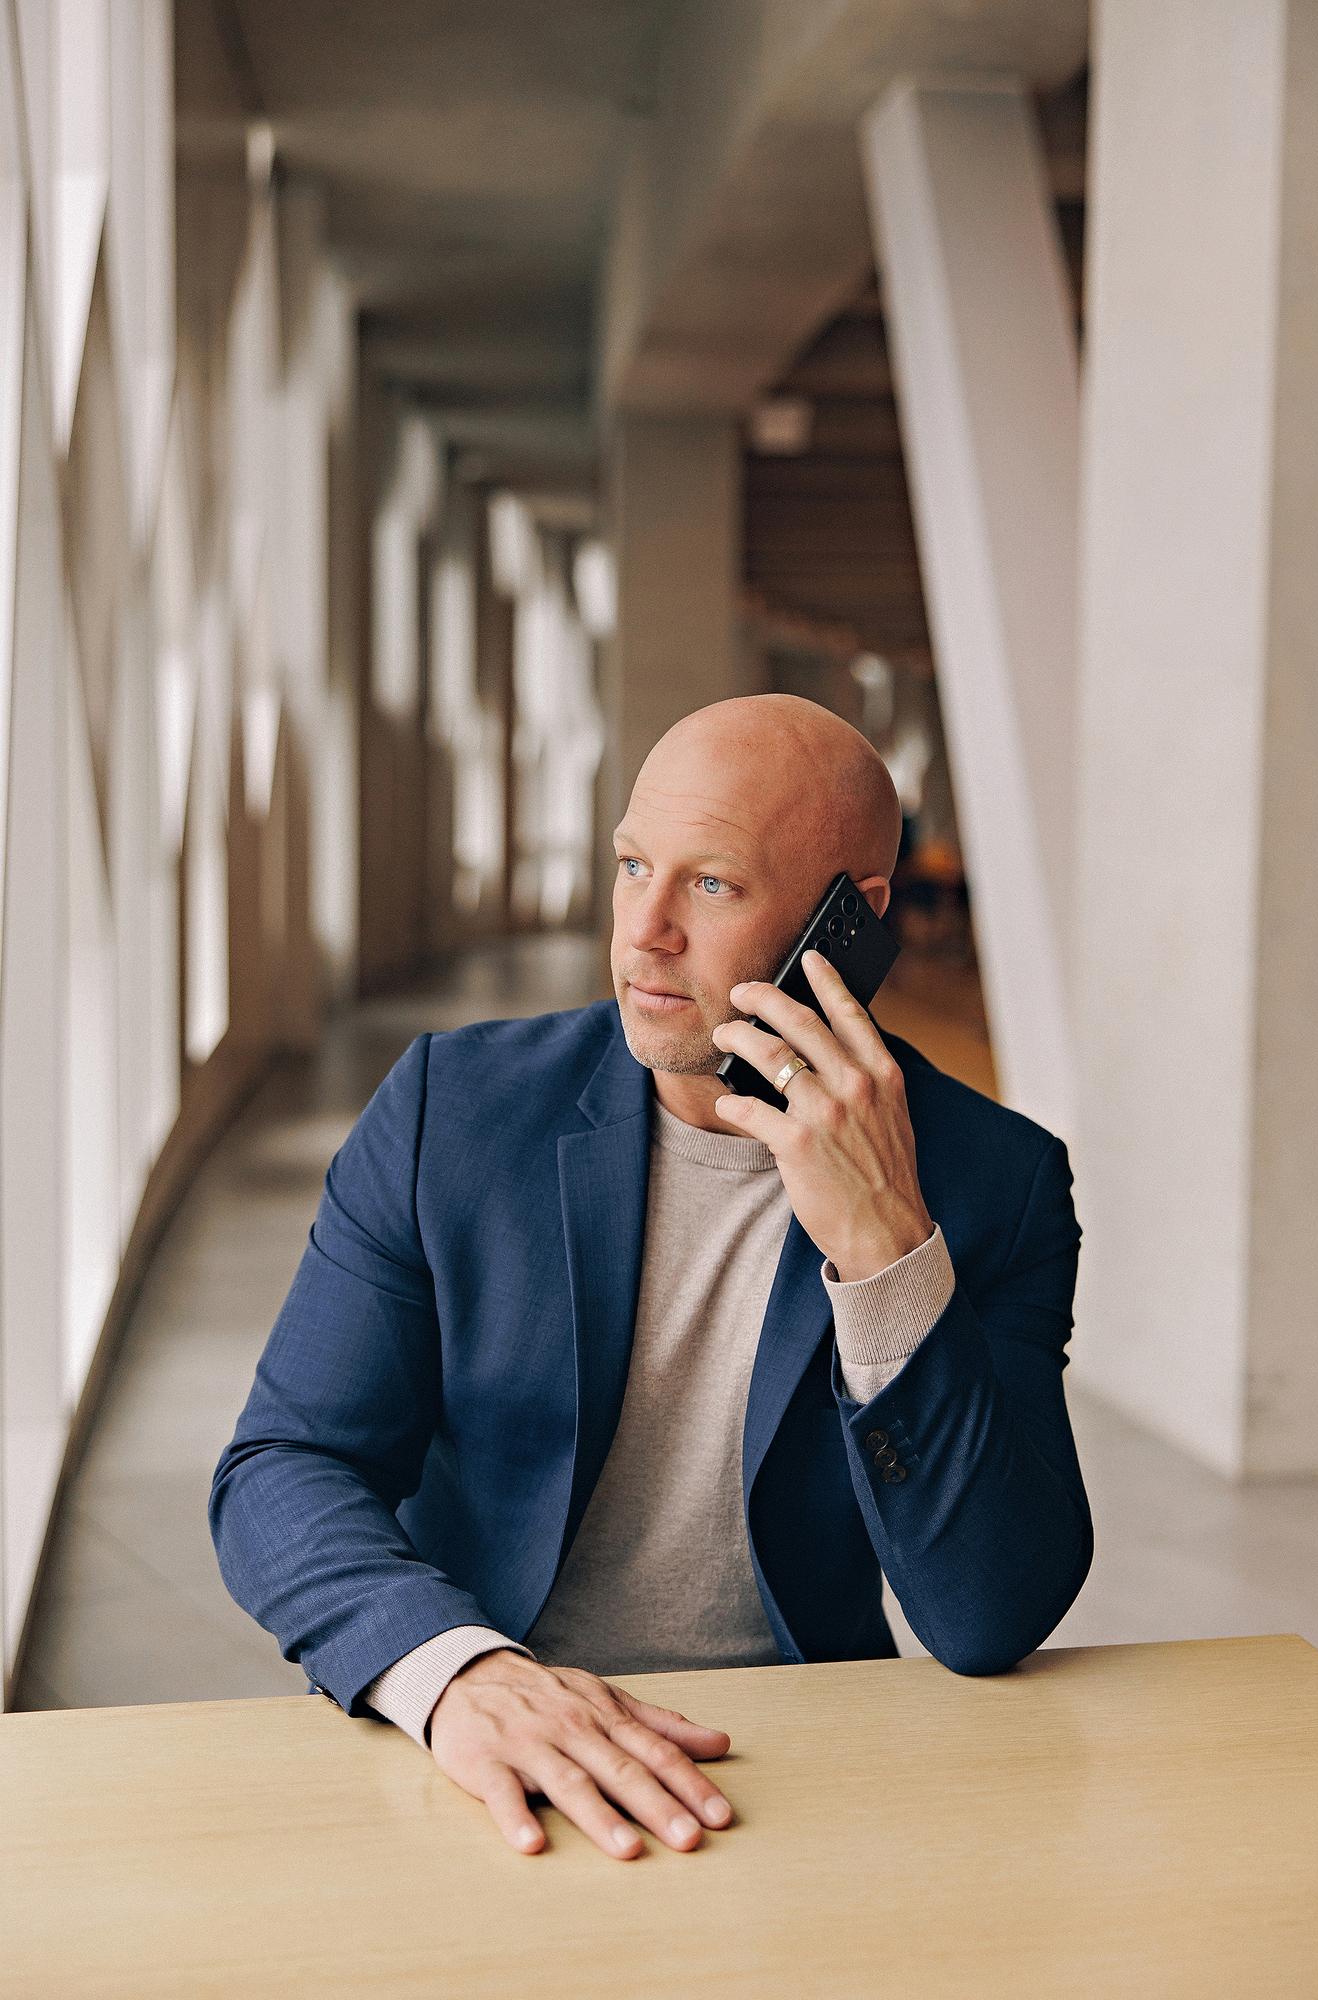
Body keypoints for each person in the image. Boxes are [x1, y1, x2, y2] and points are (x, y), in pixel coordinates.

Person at [210, 693, 1093, 1862]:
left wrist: (887, 1248)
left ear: (853, 919)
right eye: (633, 865)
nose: (644, 931)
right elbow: (284, 1467)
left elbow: (993, 1611)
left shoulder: (994, 1180)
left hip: (788, 1767)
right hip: (482, 1741)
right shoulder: (453, 1109)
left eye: (712, 884)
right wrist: (456, 1669)